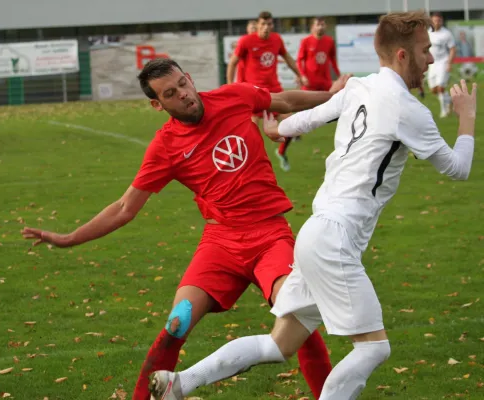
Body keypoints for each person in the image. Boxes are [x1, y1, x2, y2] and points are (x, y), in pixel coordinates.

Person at [150, 11, 476, 399]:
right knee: (374, 347)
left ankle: (178, 383)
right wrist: (467, 119)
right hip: (336, 241)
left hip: (314, 234)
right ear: (403, 55)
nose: (432, 59)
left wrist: (277, 128)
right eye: (426, 51)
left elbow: (309, 118)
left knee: (278, 345)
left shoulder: (359, 88)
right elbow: (458, 169)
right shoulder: (410, 110)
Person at [22, 58, 350, 400]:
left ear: (190, 78)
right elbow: (124, 208)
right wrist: (70, 238)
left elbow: (286, 101)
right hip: (220, 243)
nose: (183, 95)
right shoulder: (165, 147)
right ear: (157, 104)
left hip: (270, 235)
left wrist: (332, 96)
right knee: (176, 323)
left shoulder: (235, 96)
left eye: (183, 84)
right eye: (170, 93)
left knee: (296, 314)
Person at [227, 10, 304, 172]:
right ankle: (249, 168)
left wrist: (299, 74)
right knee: (250, 135)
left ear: (272, 25)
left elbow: (288, 57)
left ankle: (281, 152)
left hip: (274, 92)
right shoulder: (246, 41)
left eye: (269, 24)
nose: (266, 27)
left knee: (294, 125)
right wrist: (230, 85)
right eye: (262, 24)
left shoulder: (276, 39)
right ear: (258, 25)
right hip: (253, 94)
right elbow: (233, 62)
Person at [274, 16, 342, 169]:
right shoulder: (306, 42)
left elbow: (332, 61)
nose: (321, 26)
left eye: (323, 23)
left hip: (325, 85)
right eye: (318, 24)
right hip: (309, 86)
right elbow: (299, 60)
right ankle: (282, 151)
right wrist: (302, 75)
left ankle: (346, 153)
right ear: (312, 27)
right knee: (297, 120)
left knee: (342, 112)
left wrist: (338, 77)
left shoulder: (329, 42)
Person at [428, 12, 456, 117]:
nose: (436, 23)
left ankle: (444, 111)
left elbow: (453, 49)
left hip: (443, 62)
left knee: (440, 88)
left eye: (438, 20)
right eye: (434, 20)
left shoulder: (446, 34)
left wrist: (449, 63)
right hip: (432, 64)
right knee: (433, 90)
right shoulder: (428, 32)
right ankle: (449, 100)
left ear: (442, 21)